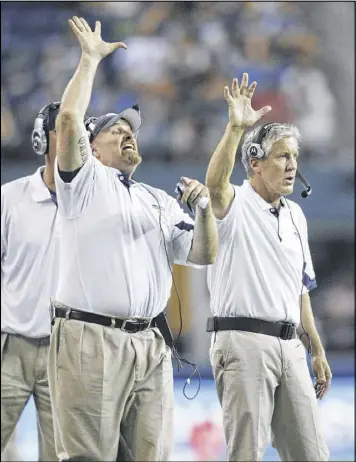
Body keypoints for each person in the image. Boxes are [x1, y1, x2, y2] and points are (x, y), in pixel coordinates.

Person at [48, 16, 218, 461]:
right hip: (90, 336)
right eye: (115, 130)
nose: (128, 134)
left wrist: (203, 211)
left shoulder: (157, 199)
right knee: (88, 457)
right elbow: (68, 118)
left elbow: (203, 254)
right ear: (92, 146)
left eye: (131, 131)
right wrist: (89, 60)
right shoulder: (83, 182)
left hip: (150, 344)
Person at [205, 73, 331, 461]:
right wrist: (235, 128)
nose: (292, 164)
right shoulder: (235, 203)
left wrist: (316, 349)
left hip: (290, 344)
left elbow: (300, 289)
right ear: (255, 162)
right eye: (282, 155)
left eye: (294, 156)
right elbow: (214, 184)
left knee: (312, 454)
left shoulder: (295, 214)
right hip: (242, 341)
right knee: (246, 454)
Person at [1, 102, 60, 461]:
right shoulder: (9, 198)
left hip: (67, 352)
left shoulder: (96, 202)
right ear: (41, 140)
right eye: (63, 131)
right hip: (11, 345)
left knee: (62, 455)